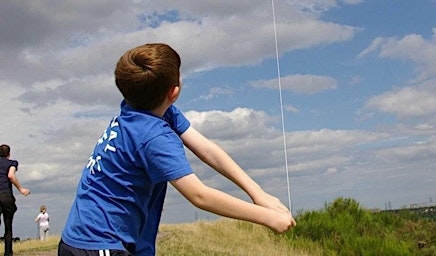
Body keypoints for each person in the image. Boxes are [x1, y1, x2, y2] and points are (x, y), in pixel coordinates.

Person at [59, 43, 296, 256]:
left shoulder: (142, 110)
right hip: (100, 245)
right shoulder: (154, 136)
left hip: (81, 237)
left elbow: (207, 149)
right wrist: (267, 217)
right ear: (174, 92)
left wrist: (257, 193)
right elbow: (199, 195)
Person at [0, 144, 30, 256]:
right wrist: (21, 189)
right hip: (6, 196)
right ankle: (8, 253)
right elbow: (11, 175)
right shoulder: (12, 163)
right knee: (8, 226)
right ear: (9, 153)